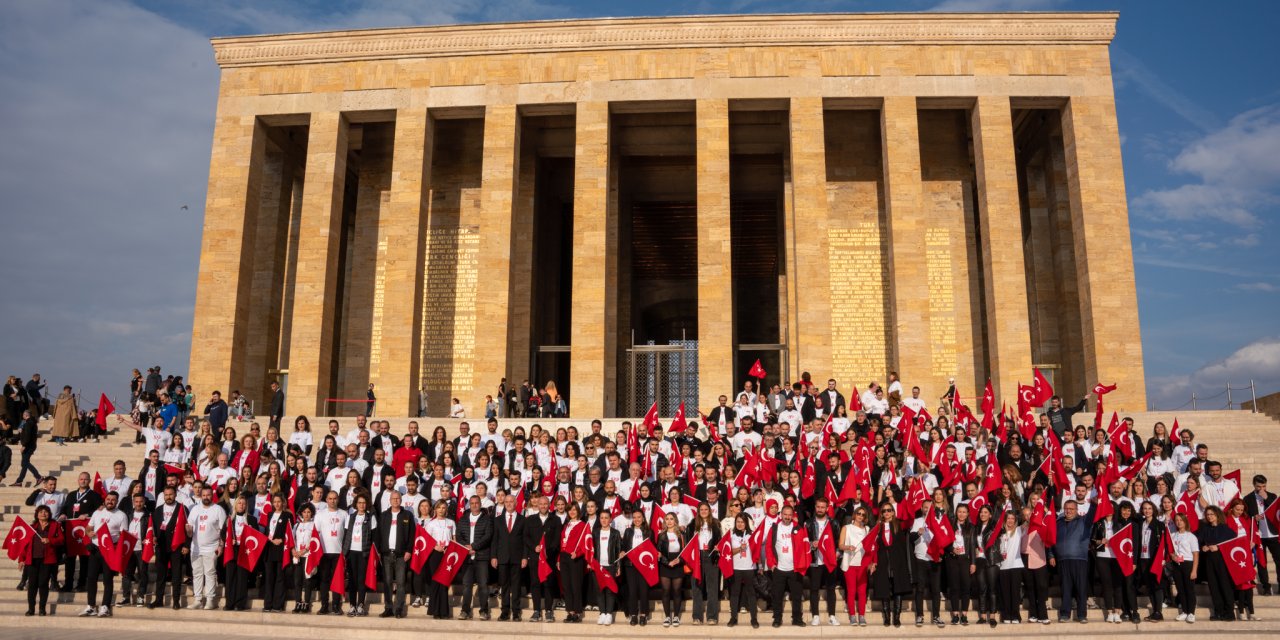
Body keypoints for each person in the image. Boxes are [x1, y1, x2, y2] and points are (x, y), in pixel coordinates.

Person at [82, 491, 128, 618]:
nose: (110, 501)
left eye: (113, 499)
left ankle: (105, 606)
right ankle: (91, 606)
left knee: (108, 579)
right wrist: (89, 533)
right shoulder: (97, 513)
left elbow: (124, 535)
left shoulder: (121, 515)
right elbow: (88, 528)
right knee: (91, 578)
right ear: (105, 500)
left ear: (117, 501)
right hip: (96, 549)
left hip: (110, 550)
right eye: (108, 499)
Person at [870, 500, 911, 627]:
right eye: (884, 511)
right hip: (883, 561)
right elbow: (873, 546)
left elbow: (903, 544)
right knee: (884, 588)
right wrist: (873, 562)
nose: (886, 513)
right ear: (881, 514)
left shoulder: (899, 525)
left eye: (889, 510)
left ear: (893, 512)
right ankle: (887, 616)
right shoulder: (877, 527)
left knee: (897, 588)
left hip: (897, 560)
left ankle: (897, 617)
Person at [1052, 498, 1092, 623]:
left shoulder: (1084, 521)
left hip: (1079, 559)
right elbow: (1051, 541)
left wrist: (1095, 504)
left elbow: (1092, 514)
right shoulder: (1058, 523)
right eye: (1066, 509)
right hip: (1063, 560)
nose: (1068, 511)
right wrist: (1050, 555)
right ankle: (1065, 614)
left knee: (1081, 589)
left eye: (1071, 509)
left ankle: (1081, 615)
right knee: (1065, 588)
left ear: (1076, 510)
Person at [149, 485, 188, 609]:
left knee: (176, 575)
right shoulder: (158, 510)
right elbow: (153, 528)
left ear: (175, 495)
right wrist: (153, 538)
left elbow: (188, 528)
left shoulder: (182, 508)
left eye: (171, 494)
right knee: (161, 575)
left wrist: (186, 545)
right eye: (166, 495)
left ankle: (176, 601)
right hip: (161, 546)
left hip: (176, 546)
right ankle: (159, 599)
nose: (168, 497)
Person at [376, 490, 414, 618]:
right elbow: (378, 534)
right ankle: (388, 608)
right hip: (386, 554)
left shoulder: (407, 515)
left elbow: (411, 535)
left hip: (401, 555)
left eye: (398, 498)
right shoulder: (384, 515)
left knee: (401, 583)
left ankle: (399, 608)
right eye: (393, 498)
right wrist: (380, 550)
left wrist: (409, 550)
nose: (396, 500)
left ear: (401, 500)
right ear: (390, 500)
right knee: (387, 582)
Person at [456, 494, 493, 620]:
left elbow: (487, 536)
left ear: (480, 504)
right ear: (469, 505)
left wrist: (473, 547)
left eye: (477, 503)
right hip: (466, 558)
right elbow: (458, 536)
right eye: (472, 503)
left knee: (483, 584)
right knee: (467, 586)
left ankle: (484, 611)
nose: (474, 505)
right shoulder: (463, 519)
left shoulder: (487, 519)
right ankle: (465, 611)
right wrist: (466, 548)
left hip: (481, 557)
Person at [22, 505, 63, 616]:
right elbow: (24, 544)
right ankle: (31, 609)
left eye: (46, 512)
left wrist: (50, 540)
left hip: (47, 560)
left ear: (49, 514)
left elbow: (61, 540)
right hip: (33, 559)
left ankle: (42, 608)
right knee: (32, 585)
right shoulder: (32, 527)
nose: (43, 514)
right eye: (41, 512)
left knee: (43, 584)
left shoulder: (55, 525)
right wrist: (22, 559)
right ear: (37, 514)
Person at [342, 493, 374, 616]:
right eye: (359, 502)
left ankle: (361, 604)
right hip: (351, 552)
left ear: (367, 504)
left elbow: (374, 537)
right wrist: (344, 552)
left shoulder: (371, 517)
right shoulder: (350, 517)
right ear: (355, 504)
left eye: (364, 503)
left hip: (364, 553)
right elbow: (346, 535)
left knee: (361, 579)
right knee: (352, 580)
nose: (361, 505)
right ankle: (352, 605)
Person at [424, 499, 456, 620]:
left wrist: (450, 549)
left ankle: (444, 611)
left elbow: (454, 539)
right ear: (435, 509)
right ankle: (435, 610)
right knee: (436, 582)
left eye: (443, 508)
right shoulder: (431, 524)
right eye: (439, 508)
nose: (441, 510)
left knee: (444, 582)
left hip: (447, 554)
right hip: (435, 554)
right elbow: (427, 540)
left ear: (446, 509)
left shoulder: (451, 522)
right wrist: (435, 546)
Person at [620, 509, 652, 626]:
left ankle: (643, 614)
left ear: (643, 518)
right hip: (630, 565)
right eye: (634, 517)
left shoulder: (649, 531)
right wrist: (622, 552)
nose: (637, 519)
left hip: (644, 565)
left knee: (643, 590)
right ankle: (633, 614)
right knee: (632, 591)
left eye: (639, 517)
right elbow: (624, 547)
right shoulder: (628, 531)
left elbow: (651, 548)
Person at [993, 510, 1026, 624]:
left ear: (1015, 520)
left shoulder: (1019, 530)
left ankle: (1015, 615)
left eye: (1013, 518)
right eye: (1008, 518)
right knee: (1005, 592)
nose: (1010, 520)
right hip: (1003, 567)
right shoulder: (999, 533)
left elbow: (1030, 521)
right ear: (1004, 520)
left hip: (1016, 565)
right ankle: (1006, 615)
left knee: (1015, 592)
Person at [655, 512, 686, 627]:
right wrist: (668, 562)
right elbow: (659, 553)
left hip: (678, 564)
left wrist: (679, 561)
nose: (669, 521)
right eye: (667, 519)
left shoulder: (682, 534)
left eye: (671, 519)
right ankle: (667, 616)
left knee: (677, 591)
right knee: (666, 591)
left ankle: (676, 616)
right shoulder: (661, 535)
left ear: (675, 521)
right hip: (665, 565)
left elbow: (686, 551)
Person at [1168, 512, 1199, 622]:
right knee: (1180, 589)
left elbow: (1195, 554)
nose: (1179, 522)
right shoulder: (1172, 535)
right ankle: (1185, 611)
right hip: (1177, 564)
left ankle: (1191, 612)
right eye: (1177, 520)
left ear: (1185, 521)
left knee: (1189, 589)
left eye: (1181, 520)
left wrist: (1194, 570)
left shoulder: (1191, 536)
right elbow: (1170, 551)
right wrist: (1173, 556)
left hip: (1188, 564)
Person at [13, 410, 41, 486]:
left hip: (28, 446)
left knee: (25, 463)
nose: (22, 416)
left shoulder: (28, 423)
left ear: (25, 415)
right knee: (24, 463)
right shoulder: (32, 423)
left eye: (23, 415)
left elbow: (28, 436)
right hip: (30, 445)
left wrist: (24, 445)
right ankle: (19, 481)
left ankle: (38, 477)